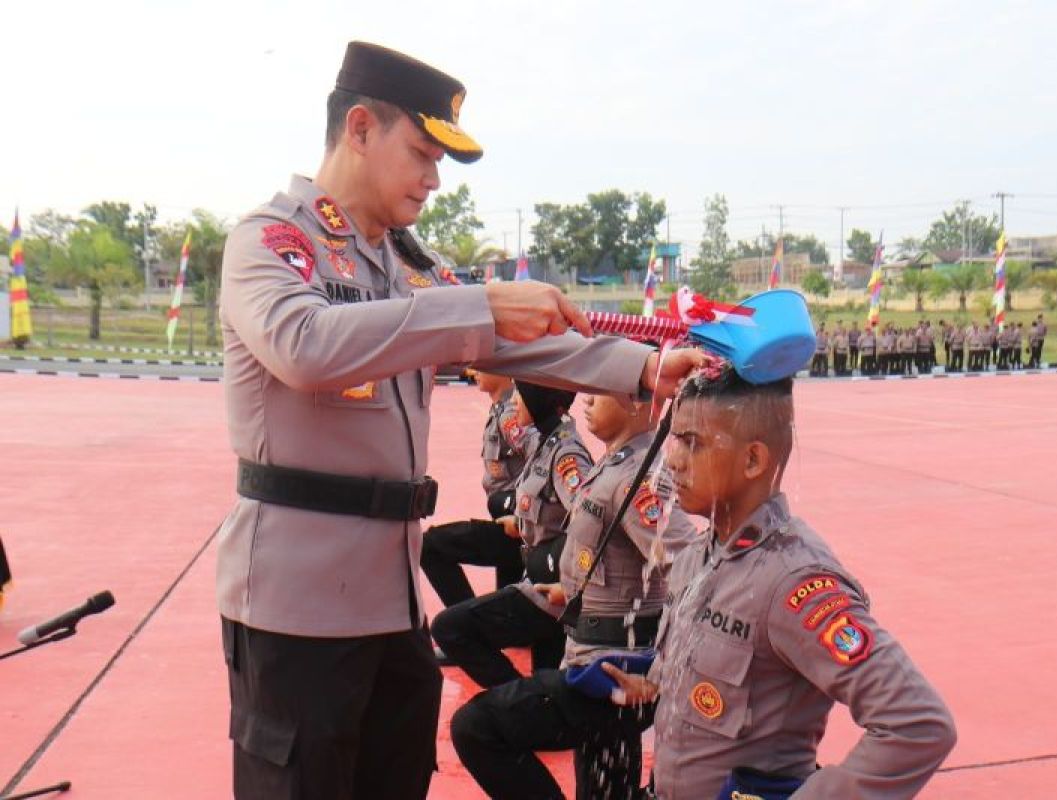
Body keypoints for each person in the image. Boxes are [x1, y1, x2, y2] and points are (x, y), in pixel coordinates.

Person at [216, 41, 707, 800]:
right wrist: (476, 306)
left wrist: (643, 367)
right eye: (420, 153)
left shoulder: (408, 265)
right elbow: (304, 347)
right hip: (297, 608)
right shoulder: (274, 244)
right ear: (358, 128)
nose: (432, 179)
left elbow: (520, 340)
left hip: (389, 600)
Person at [604, 364, 956, 798]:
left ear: (753, 459)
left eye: (692, 443)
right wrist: (657, 684)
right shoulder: (699, 555)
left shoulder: (793, 582)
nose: (671, 459)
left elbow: (918, 724)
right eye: (674, 438)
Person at [450, 393, 696, 800]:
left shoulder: (640, 479)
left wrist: (665, 668)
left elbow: (691, 571)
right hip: (593, 652)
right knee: (604, 787)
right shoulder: (615, 465)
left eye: (603, 392)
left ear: (639, 403)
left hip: (615, 667)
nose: (588, 401)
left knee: (477, 727)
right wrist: (573, 590)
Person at [432, 382, 590, 687]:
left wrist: (568, 586)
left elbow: (586, 524)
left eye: (521, 393)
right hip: (536, 570)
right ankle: (526, 705)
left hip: (550, 586)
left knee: (451, 627)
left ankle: (516, 701)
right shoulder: (546, 440)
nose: (514, 400)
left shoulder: (565, 453)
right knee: (545, 683)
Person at [420, 371, 529, 613]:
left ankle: (468, 624)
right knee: (509, 609)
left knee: (430, 546)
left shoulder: (511, 414)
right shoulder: (502, 408)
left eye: (479, 367)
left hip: (519, 528)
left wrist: (524, 516)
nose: (470, 372)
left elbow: (542, 459)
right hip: (508, 520)